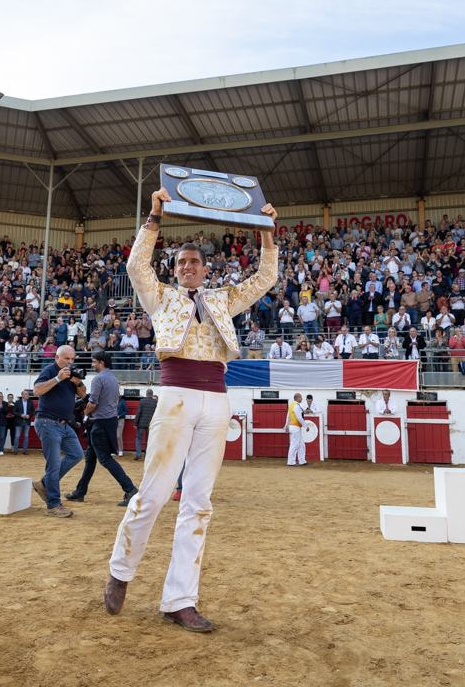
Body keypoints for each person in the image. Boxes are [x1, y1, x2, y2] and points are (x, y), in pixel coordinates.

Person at [105, 187, 277, 634]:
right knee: (155, 494)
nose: (188, 267)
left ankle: (180, 599)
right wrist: (154, 217)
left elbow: (263, 279)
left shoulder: (221, 299)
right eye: (181, 263)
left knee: (198, 503)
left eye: (194, 262)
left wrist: (267, 233)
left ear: (206, 268)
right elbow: (133, 267)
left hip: (217, 400)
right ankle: (121, 570)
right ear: (174, 269)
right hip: (176, 395)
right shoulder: (160, 297)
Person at [66, 352, 138, 505]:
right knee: (90, 460)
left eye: (94, 362)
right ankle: (80, 492)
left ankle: (130, 489)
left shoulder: (98, 379)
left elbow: (92, 404)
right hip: (107, 421)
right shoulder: (113, 378)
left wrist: (85, 412)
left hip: (99, 423)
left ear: (101, 363)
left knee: (105, 459)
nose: (92, 365)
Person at [31, 345, 88, 517]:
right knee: (54, 465)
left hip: (64, 425)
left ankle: (44, 483)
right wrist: (57, 378)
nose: (70, 362)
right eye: (66, 359)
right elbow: (36, 390)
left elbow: (83, 394)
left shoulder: (71, 373)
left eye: (72, 359)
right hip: (48, 423)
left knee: (77, 454)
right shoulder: (49, 370)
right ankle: (53, 506)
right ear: (57, 357)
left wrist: (78, 383)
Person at [132, 389, 156, 461]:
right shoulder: (155, 402)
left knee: (138, 438)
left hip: (141, 423)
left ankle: (138, 454)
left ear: (146, 394)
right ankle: (146, 456)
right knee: (148, 440)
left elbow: (138, 413)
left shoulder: (142, 401)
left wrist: (135, 423)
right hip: (150, 424)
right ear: (152, 395)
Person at [285, 392, 307, 466]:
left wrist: (286, 426)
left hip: (294, 427)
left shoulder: (291, 405)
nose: (302, 399)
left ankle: (302, 460)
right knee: (295, 444)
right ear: (297, 398)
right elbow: (299, 418)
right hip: (295, 427)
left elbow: (288, 417)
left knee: (301, 444)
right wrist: (305, 426)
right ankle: (291, 461)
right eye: (301, 397)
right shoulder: (296, 406)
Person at [13, 389, 35, 454]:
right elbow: (14, 412)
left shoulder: (30, 402)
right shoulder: (17, 402)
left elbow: (33, 411)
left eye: (27, 394)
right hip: (19, 421)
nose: (27, 395)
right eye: (25, 394)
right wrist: (20, 415)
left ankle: (25, 450)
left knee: (26, 436)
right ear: (22, 395)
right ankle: (15, 450)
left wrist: (29, 415)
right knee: (17, 436)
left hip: (27, 421)